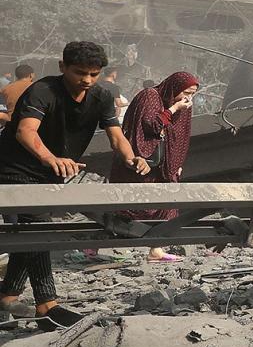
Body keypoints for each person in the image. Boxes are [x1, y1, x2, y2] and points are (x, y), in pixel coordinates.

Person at [0, 42, 149, 329]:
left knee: (28, 231)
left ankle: (7, 296)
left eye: (94, 74)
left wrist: (133, 158)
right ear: (62, 67)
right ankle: (47, 305)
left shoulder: (102, 96)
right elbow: (24, 130)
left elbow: (116, 135)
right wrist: (50, 157)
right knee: (38, 227)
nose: (87, 80)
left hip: (49, 172)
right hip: (14, 169)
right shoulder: (43, 90)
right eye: (80, 72)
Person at [109, 72, 199, 263]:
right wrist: (173, 108)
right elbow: (150, 125)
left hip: (163, 165)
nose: (188, 98)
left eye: (193, 94)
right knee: (126, 207)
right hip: (139, 161)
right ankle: (93, 243)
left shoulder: (185, 106)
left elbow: (181, 136)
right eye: (186, 92)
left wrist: (177, 162)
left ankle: (156, 249)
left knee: (166, 206)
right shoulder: (150, 96)